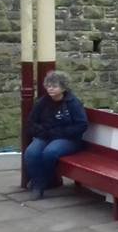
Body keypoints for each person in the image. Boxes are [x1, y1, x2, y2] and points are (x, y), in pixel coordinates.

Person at [24, 71, 88, 200]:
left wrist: (58, 133)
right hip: (45, 135)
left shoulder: (73, 103)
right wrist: (41, 131)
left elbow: (81, 125)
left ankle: (41, 184)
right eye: (48, 86)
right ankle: (39, 182)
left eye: (54, 86)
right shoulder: (42, 102)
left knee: (50, 152)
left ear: (63, 88)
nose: (50, 89)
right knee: (31, 153)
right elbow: (31, 122)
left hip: (68, 138)